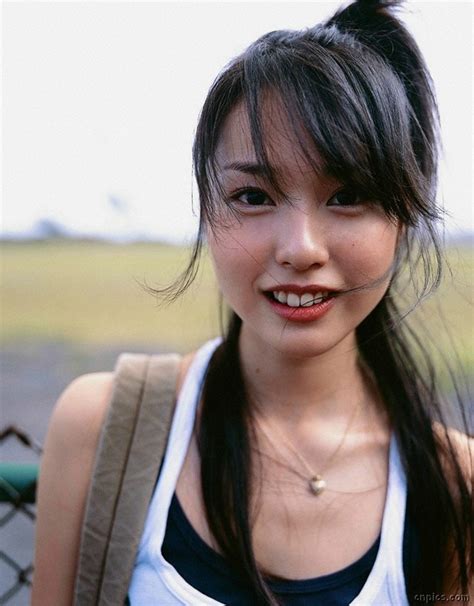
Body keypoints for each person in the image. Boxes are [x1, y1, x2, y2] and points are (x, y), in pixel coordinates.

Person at [32, 0, 472, 604]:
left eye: (347, 195)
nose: (300, 248)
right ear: (206, 210)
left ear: (401, 217)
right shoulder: (104, 427)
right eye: (252, 195)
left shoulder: (453, 486)